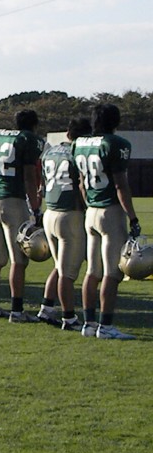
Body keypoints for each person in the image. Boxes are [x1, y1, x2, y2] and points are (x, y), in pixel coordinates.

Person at [74, 104, 139, 340]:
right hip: (109, 212)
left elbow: (81, 183)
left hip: (90, 211)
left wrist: (89, 205)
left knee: (92, 271)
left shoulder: (79, 144)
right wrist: (132, 217)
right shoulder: (116, 143)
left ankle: (88, 323)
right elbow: (120, 185)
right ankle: (106, 326)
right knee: (112, 273)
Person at [0, 110, 45, 322]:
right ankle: (17, 311)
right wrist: (35, 208)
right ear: (34, 125)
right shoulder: (29, 139)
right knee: (18, 260)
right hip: (13, 202)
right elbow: (29, 177)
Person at [39, 118, 91, 331]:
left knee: (60, 265)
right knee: (67, 273)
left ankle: (46, 308)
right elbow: (82, 185)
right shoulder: (79, 152)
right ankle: (69, 318)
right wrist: (88, 208)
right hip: (70, 214)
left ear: (68, 133)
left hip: (50, 212)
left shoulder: (50, 151)